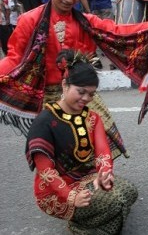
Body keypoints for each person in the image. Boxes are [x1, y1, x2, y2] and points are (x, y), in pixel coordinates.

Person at [0, 0, 148, 156]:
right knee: (58, 147)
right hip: (48, 96)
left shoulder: (85, 21)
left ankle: (97, 177)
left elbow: (115, 31)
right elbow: (15, 57)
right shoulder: (30, 20)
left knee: (101, 135)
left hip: (82, 90)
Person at [26, 50, 138, 234]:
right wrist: (70, 196)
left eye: (91, 94)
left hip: (88, 178)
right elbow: (46, 171)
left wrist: (104, 175)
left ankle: (91, 227)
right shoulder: (44, 121)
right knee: (114, 203)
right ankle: (81, 226)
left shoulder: (93, 118)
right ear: (65, 85)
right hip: (54, 191)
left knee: (129, 192)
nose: (86, 98)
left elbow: (103, 153)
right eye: (81, 92)